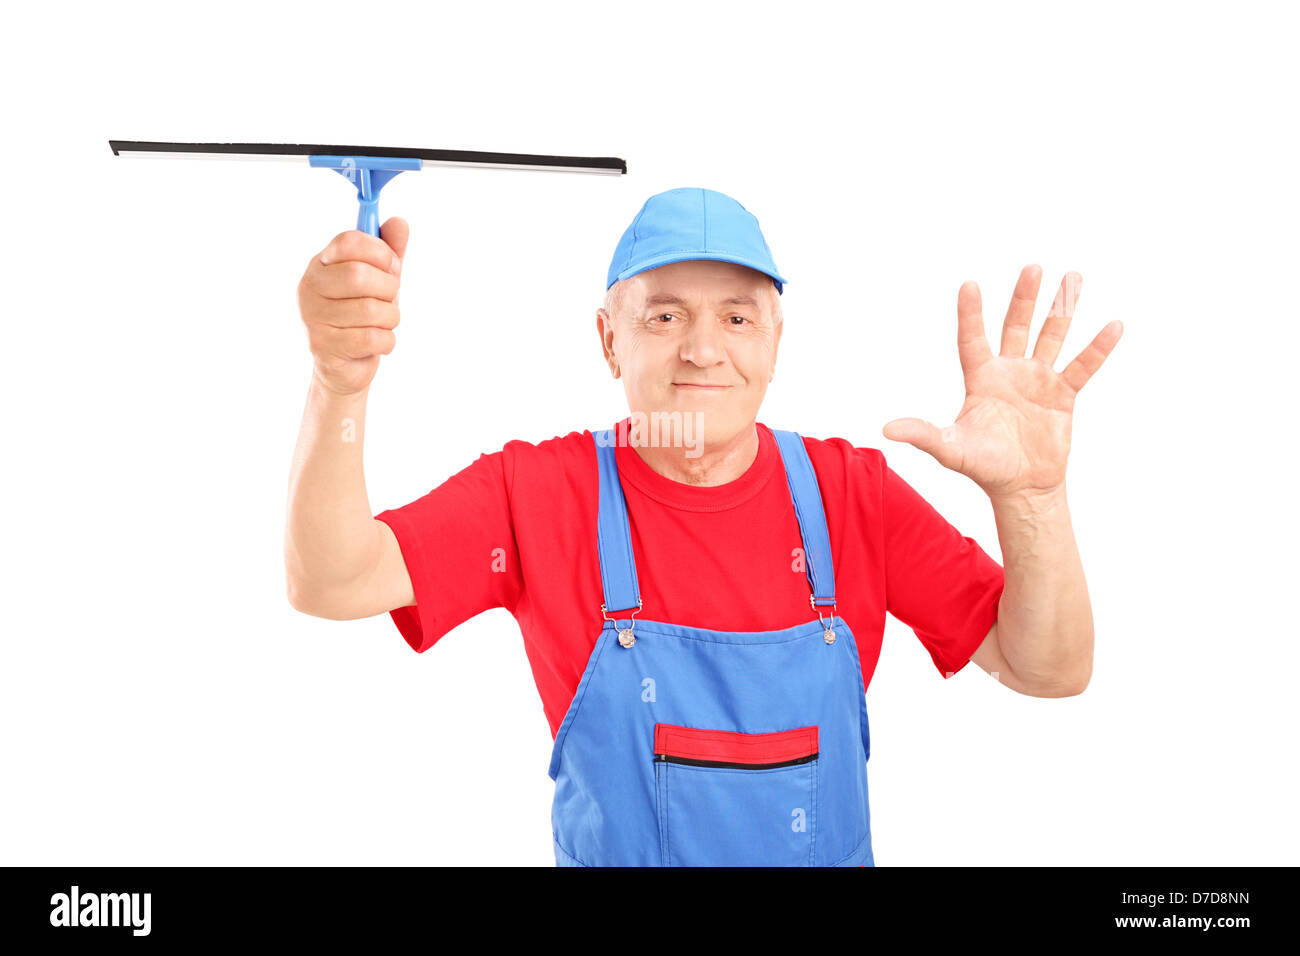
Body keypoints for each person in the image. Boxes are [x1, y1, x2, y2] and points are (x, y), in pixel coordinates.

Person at [285, 186, 1121, 866]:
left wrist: (1033, 501)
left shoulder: (852, 494)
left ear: (775, 342)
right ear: (608, 341)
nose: (702, 350)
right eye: (664, 316)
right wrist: (340, 380)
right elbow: (332, 578)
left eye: (736, 317)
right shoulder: (538, 492)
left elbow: (1047, 669)